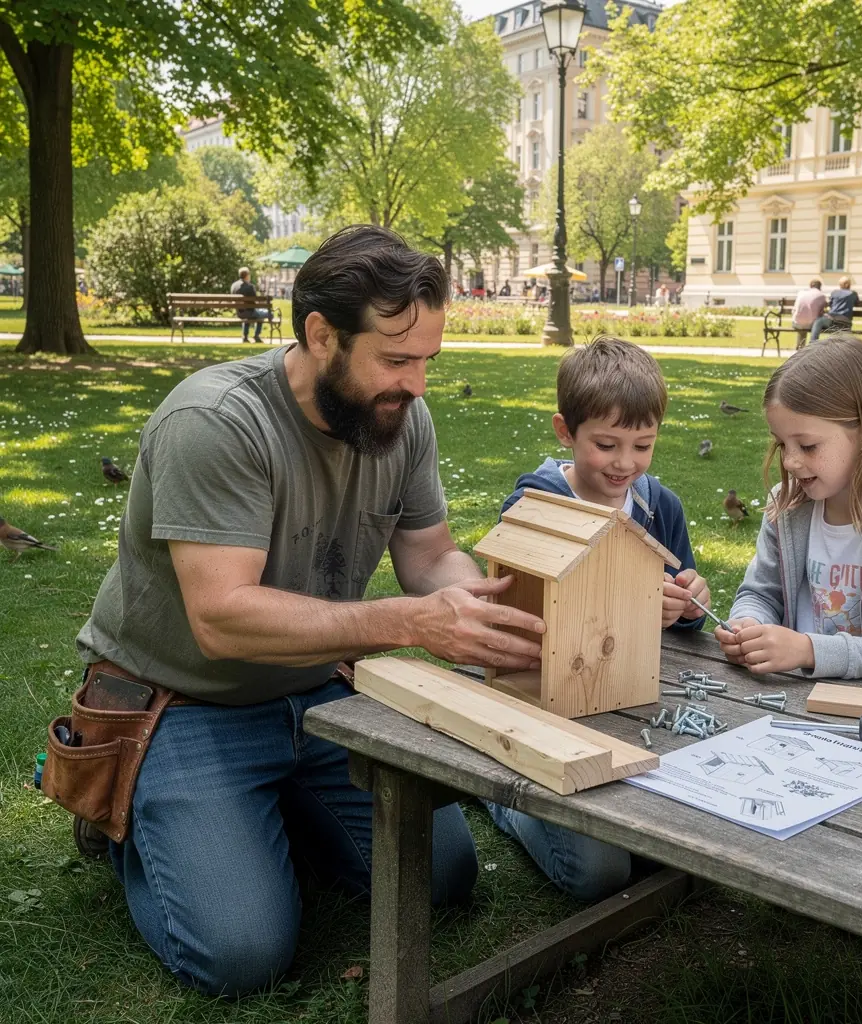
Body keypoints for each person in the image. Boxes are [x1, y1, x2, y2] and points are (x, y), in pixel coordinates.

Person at [74, 225, 547, 997]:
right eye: (397, 360)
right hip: (185, 700)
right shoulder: (217, 422)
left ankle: (258, 817)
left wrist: (490, 608)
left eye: (429, 359)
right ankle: (124, 816)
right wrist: (403, 624)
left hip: (314, 686)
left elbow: (428, 556)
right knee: (242, 956)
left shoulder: (402, 418)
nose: (419, 385)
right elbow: (221, 618)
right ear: (320, 334)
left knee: (445, 879)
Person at [488, 336, 710, 901]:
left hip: (631, 696)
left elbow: (682, 608)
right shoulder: (536, 503)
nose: (625, 464)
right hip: (548, 693)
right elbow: (522, 612)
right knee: (599, 873)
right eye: (606, 444)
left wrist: (685, 605)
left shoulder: (660, 506)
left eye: (643, 445)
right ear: (566, 432)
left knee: (692, 833)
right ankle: (500, 802)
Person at [715, 334, 862, 682]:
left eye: (809, 446)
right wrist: (748, 624)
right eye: (782, 443)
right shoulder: (787, 506)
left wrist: (809, 651)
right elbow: (760, 593)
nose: (791, 461)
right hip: (796, 701)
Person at [809, 275, 859, 342]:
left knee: (818, 321)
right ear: (848, 284)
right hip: (845, 322)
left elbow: (830, 304)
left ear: (841, 285)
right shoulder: (853, 293)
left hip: (832, 320)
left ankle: (812, 343)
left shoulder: (834, 292)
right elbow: (857, 303)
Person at [229, 266, 267, 343]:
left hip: (239, 313)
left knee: (249, 315)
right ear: (247, 275)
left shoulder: (234, 285)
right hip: (250, 312)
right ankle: (256, 336)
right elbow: (254, 303)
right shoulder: (249, 286)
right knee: (265, 314)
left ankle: (245, 337)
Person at [791, 277, 828, 349]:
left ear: (810, 286)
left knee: (801, 322)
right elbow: (822, 312)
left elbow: (794, 310)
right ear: (820, 287)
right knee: (814, 322)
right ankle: (809, 347)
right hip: (811, 324)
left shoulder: (801, 293)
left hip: (796, 323)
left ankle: (800, 346)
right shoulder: (822, 296)